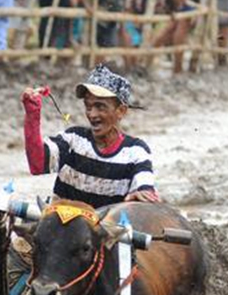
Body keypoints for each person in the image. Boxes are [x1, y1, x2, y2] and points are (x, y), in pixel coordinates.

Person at [20, 64, 158, 208]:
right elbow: (37, 164)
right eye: (88, 106)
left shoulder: (136, 151)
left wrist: (143, 193)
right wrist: (32, 115)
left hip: (107, 228)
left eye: (100, 106)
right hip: (62, 223)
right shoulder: (73, 139)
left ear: (121, 111)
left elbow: (145, 188)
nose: (92, 114)